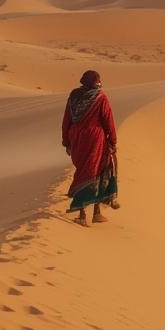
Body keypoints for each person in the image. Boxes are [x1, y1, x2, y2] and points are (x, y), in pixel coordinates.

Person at [62, 70, 118, 226]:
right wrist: (113, 141)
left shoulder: (73, 96)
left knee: (84, 171)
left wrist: (66, 142)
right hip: (95, 138)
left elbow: (67, 120)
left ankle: (94, 213)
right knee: (97, 172)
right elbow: (108, 119)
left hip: (77, 138)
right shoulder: (100, 97)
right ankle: (86, 214)